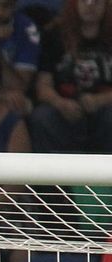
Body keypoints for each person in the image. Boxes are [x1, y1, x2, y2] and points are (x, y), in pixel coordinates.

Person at [29, 0, 112, 154]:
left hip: (105, 107)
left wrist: (100, 100)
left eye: (97, 1)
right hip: (64, 107)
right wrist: (60, 103)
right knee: (42, 117)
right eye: (84, 1)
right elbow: (43, 86)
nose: (90, 5)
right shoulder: (55, 35)